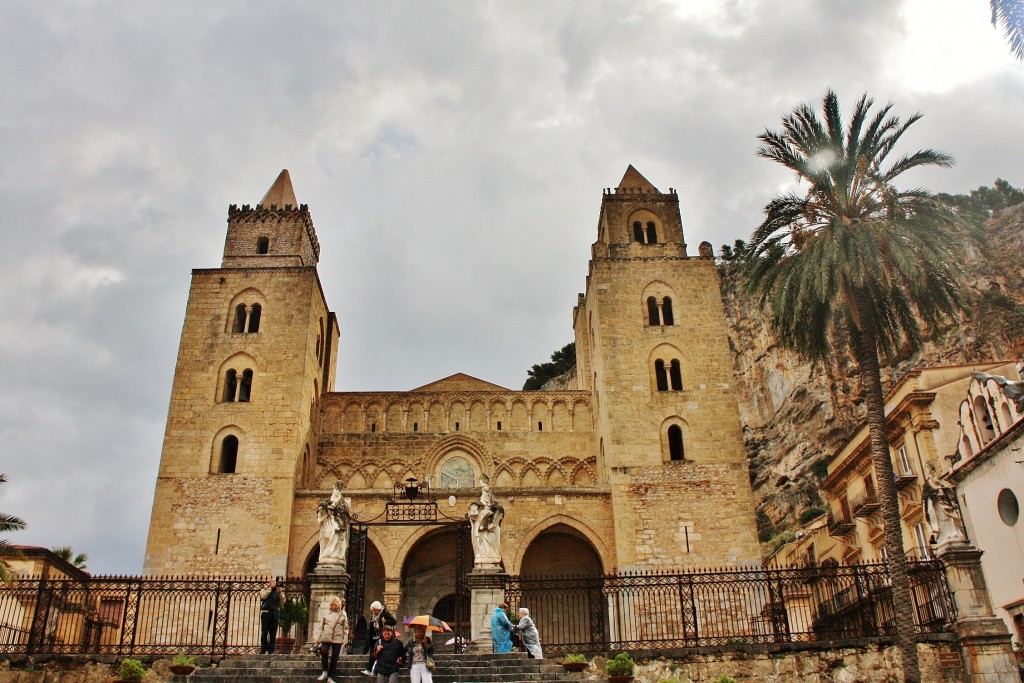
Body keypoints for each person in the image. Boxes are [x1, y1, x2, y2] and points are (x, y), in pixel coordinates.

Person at [314, 596, 349, 683]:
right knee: (324, 651)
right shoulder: (326, 612)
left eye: (335, 604)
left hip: (338, 637)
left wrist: (345, 639)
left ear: (339, 605)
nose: (334, 606)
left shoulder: (343, 613)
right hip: (326, 636)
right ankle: (325, 671)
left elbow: (346, 627)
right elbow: (321, 626)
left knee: (335, 657)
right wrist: (318, 638)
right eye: (332, 604)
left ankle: (331, 676)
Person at [318, 481, 352, 565]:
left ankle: (335, 555)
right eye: (336, 489)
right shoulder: (327, 500)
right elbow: (320, 509)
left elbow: (346, 516)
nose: (337, 491)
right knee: (327, 537)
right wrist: (326, 508)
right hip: (328, 523)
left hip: (339, 523)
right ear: (333, 489)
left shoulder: (343, 503)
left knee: (337, 537)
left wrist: (335, 510)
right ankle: (327, 555)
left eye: (339, 490)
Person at [361, 600, 397, 675]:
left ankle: (376, 670)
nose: (373, 612)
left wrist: (386, 621)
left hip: (384, 636)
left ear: (377, 609)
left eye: (374, 610)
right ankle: (369, 669)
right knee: (373, 652)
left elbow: (394, 622)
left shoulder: (385, 614)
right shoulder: (374, 615)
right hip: (375, 636)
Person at [258, 578, 283, 654]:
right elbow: (263, 596)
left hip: (275, 613)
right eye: (273, 582)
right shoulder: (264, 590)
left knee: (273, 633)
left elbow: (283, 601)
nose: (274, 583)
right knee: (264, 632)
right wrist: (270, 588)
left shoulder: (278, 591)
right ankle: (263, 649)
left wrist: (280, 592)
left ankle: (271, 650)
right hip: (266, 613)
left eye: (275, 582)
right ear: (269, 583)